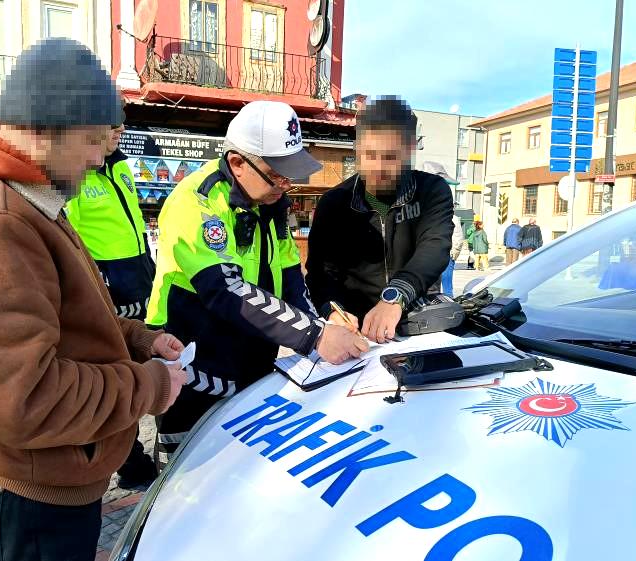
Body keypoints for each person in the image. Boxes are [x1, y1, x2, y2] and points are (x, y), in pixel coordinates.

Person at [0, 38, 186, 561]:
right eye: (95, 140)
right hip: (26, 495)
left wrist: (140, 340)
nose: (101, 157)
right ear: (51, 123)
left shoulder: (22, 198)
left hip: (42, 478)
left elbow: (62, 316)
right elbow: (28, 399)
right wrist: (150, 385)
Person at [146, 100, 367, 468]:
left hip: (251, 358)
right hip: (193, 360)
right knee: (184, 474)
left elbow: (291, 278)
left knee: (241, 469)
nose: (286, 184)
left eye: (290, 174)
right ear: (237, 163)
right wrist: (314, 335)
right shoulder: (196, 201)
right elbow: (225, 290)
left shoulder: (271, 203)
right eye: (276, 174)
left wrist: (324, 324)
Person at [305, 96, 454, 343]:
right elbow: (320, 274)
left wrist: (395, 297)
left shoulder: (432, 191)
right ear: (357, 148)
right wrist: (332, 311)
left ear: (410, 150)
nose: (378, 167)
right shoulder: (334, 203)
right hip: (358, 332)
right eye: (370, 155)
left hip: (418, 325)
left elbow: (435, 247)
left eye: (390, 157)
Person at [66, 122, 160, 489]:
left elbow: (134, 224)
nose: (119, 130)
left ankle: (135, 456)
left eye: (122, 123)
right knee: (113, 381)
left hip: (139, 284)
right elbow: (70, 236)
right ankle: (129, 462)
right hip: (105, 293)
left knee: (138, 377)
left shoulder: (119, 164)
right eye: (111, 124)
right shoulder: (75, 172)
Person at [441, 213, 464, 297]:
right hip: (436, 252)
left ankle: (448, 297)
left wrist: (454, 252)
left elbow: (458, 238)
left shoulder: (453, 219)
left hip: (447, 253)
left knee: (446, 278)